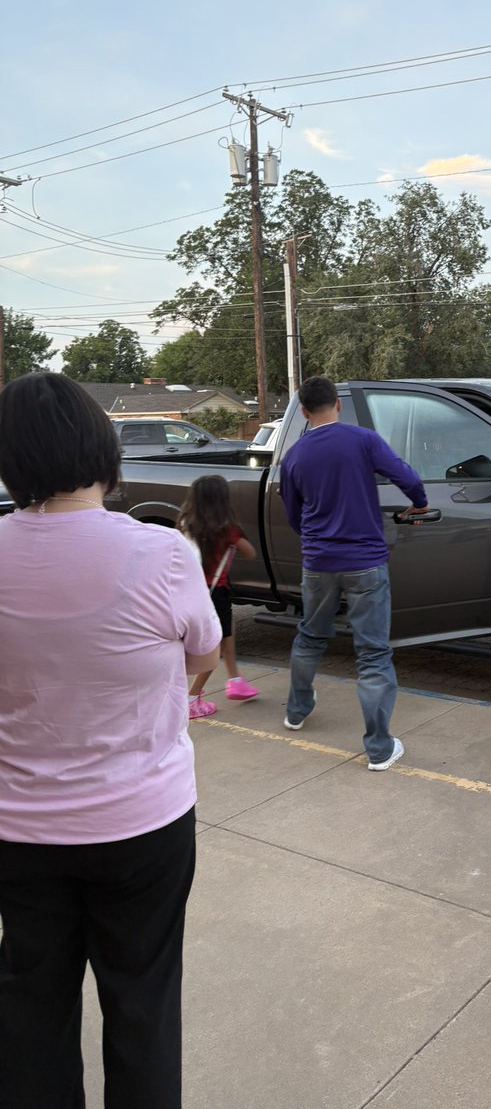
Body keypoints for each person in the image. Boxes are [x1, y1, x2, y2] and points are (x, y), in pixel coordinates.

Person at [0, 373, 222, 1109]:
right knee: (143, 1008)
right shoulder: (162, 554)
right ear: (103, 449)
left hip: (18, 830)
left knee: (30, 1008)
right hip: (142, 824)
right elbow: (202, 655)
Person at [279, 376, 429, 770]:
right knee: (374, 653)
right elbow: (408, 478)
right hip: (365, 561)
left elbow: (294, 515)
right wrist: (419, 503)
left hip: (318, 562)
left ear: (305, 411)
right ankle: (379, 748)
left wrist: (317, 539)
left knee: (310, 636)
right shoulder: (363, 440)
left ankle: (296, 711)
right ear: (337, 405)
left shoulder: (293, 456)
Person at [177, 473, 260, 718]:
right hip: (216, 593)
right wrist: (235, 540)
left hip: (192, 591)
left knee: (228, 634)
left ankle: (236, 679)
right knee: (214, 649)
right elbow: (251, 554)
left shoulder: (185, 525)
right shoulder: (227, 530)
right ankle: (192, 699)